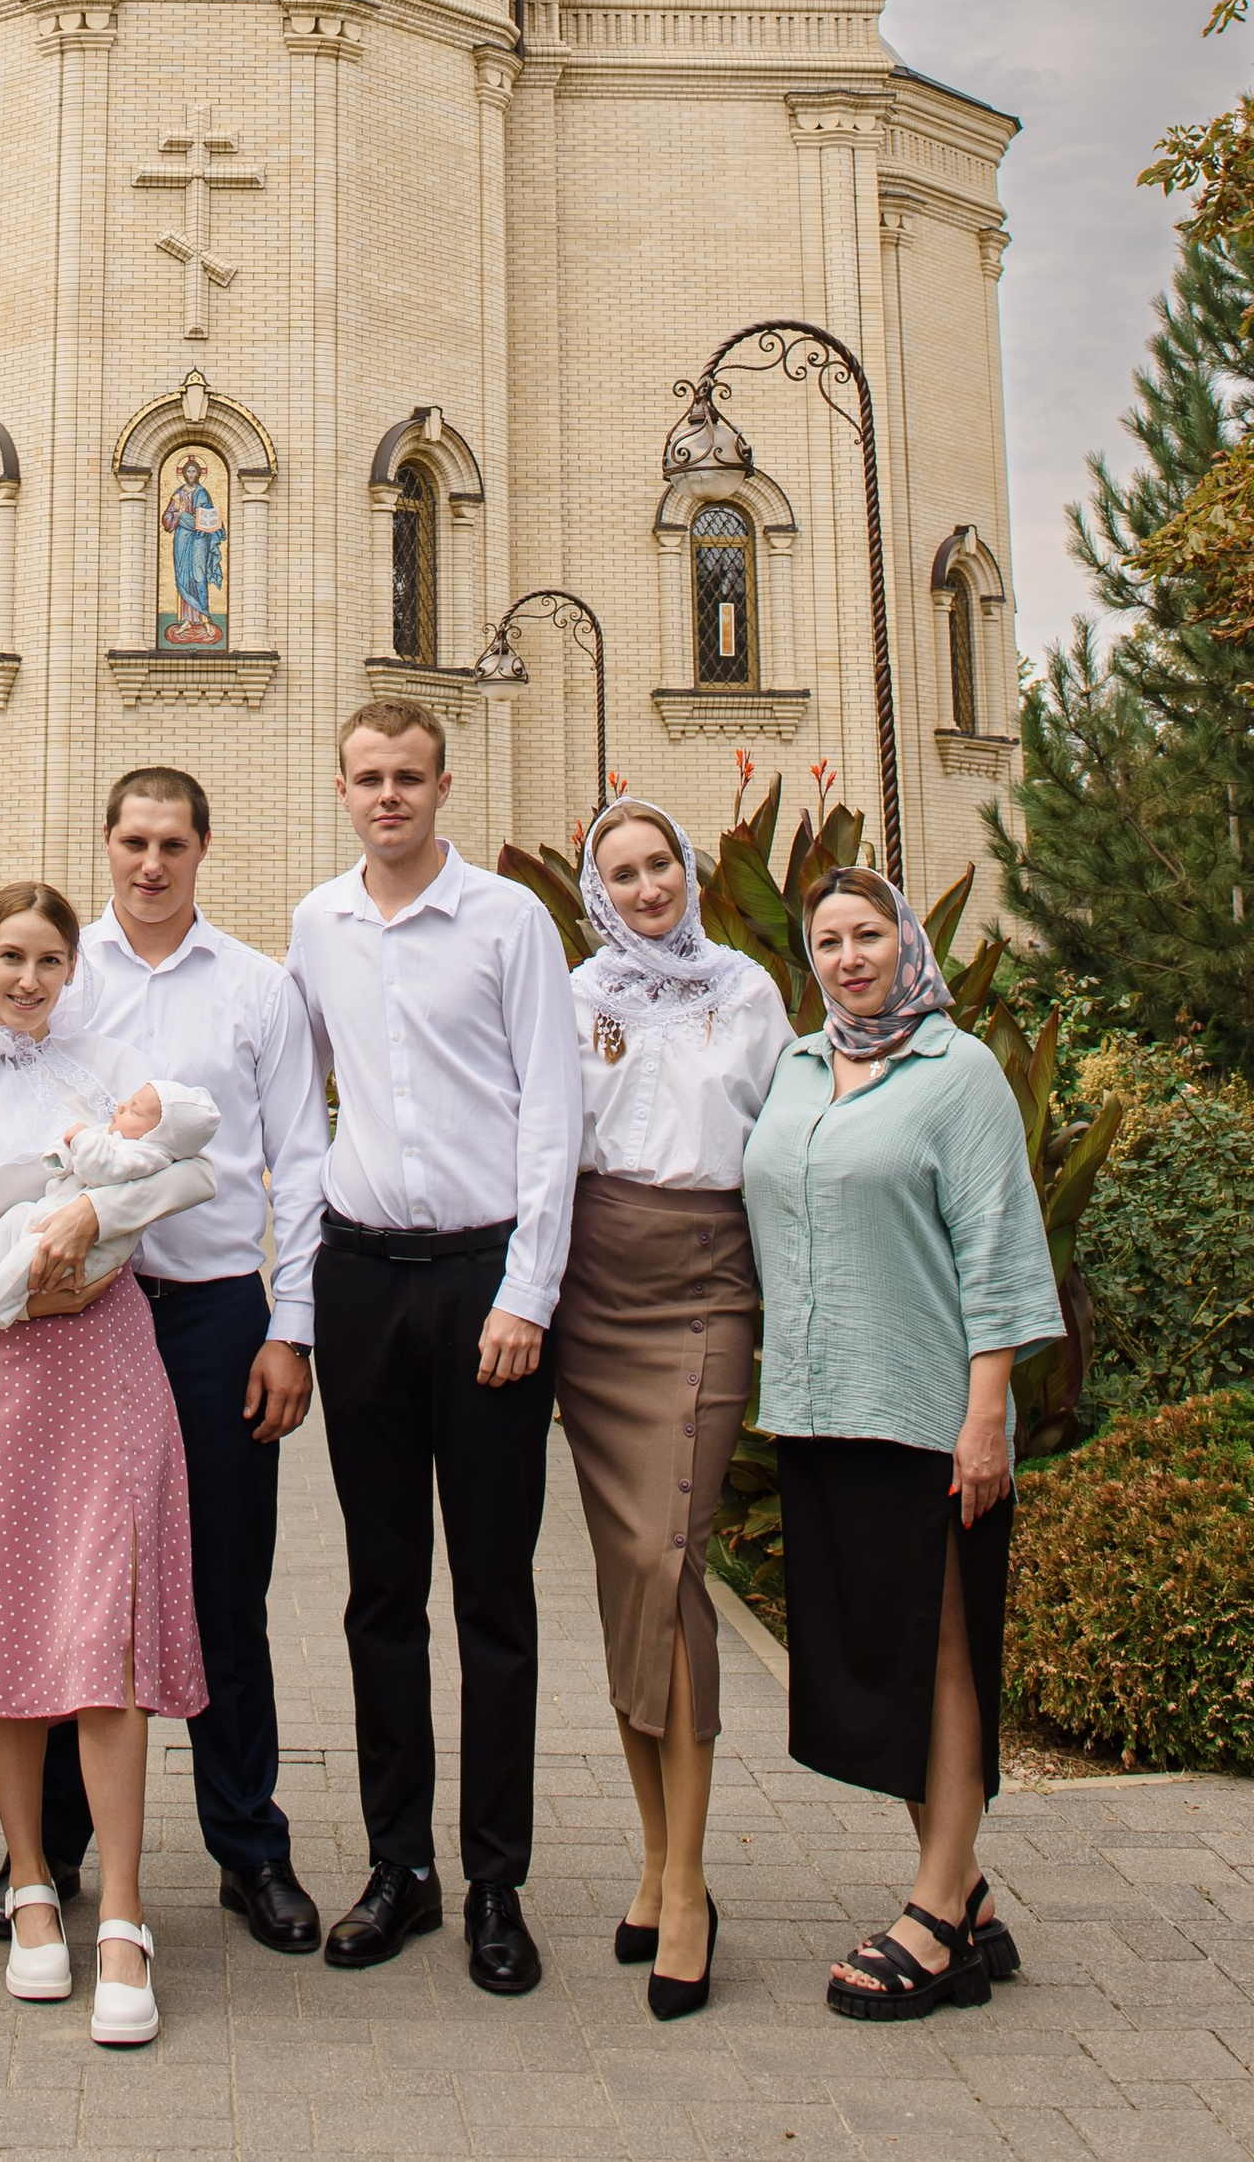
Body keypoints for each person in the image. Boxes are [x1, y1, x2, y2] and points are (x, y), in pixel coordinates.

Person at [0, 883, 214, 2050]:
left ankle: (120, 1912)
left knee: (105, 1637)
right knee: (8, 1632)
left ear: (73, 969)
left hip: (108, 1363)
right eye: (10, 956)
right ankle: (28, 1883)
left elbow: (185, 1174)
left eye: (49, 960)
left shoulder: (105, 1064)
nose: (28, 978)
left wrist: (85, 1223)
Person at [284, 701, 581, 1996]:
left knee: (494, 1596)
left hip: (484, 1288)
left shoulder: (508, 922)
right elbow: (290, 1105)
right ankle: (399, 1865)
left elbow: (553, 1114)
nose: (389, 794)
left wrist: (529, 1291)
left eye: (409, 775)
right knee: (380, 1589)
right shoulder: (318, 924)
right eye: (368, 776)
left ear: (443, 785)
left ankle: (496, 1880)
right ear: (342, 787)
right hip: (363, 1278)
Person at [741, 864, 1064, 2021]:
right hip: (816, 1406)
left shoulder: (955, 1071)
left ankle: (934, 1919)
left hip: (926, 1411)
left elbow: (999, 1246)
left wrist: (986, 1415)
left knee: (941, 1653)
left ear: (905, 943)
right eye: (828, 941)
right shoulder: (795, 1066)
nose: (849, 957)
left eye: (867, 934)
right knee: (883, 1651)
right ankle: (963, 1888)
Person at [41, 767, 331, 1955]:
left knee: (224, 1588)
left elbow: (300, 1163)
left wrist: (289, 1327)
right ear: (106, 845)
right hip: (80, 1315)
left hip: (215, 1317)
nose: (151, 863)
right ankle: (49, 1846)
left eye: (171, 842)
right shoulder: (62, 979)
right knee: (76, 1586)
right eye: (133, 841)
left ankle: (248, 1846)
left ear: (203, 848)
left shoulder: (258, 987)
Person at [553, 797, 791, 2022]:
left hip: (703, 1283)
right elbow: (547, 1145)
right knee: (625, 1580)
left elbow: (784, 1143)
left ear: (688, 873)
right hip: (595, 1289)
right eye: (623, 873)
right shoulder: (576, 996)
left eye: (661, 866)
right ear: (596, 892)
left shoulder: (745, 993)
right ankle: (653, 1857)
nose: (647, 888)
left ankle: (689, 1884)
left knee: (669, 1561)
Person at [0, 1077, 220, 1330]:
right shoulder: (114, 1137)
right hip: (50, 1215)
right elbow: (78, 1156)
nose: (121, 1106)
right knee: (16, 1220)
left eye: (135, 1110)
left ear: (158, 1136)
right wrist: (63, 1154)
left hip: (88, 1253)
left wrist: (82, 1141)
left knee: (32, 1252)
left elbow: (99, 1168)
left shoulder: (145, 1156)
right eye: (129, 1101)